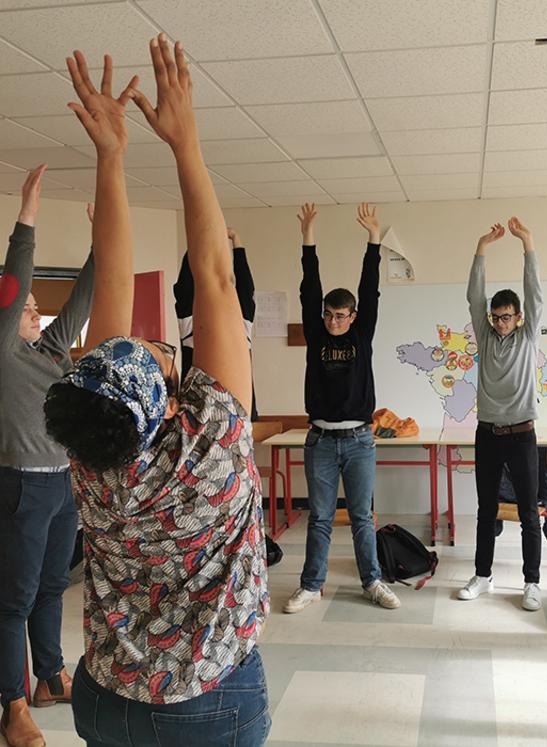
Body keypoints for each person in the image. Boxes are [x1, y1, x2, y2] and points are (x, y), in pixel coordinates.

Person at [43, 37, 269, 746]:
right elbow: (216, 276)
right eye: (161, 356)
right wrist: (183, 143)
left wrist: (112, 157)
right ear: (172, 404)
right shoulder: (216, 442)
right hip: (212, 698)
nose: (148, 339)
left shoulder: (90, 450)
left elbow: (111, 286)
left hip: (107, 698)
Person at [0, 167, 94, 747]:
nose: (37, 313)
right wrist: (27, 217)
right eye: (28, 308)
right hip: (20, 486)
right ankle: (12, 706)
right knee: (12, 599)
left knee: (53, 585)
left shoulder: (51, 352)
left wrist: (101, 242)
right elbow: (15, 281)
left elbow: (80, 301)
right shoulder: (4, 350)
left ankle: (50, 676)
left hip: (61, 484)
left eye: (39, 308)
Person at [283, 202, 400, 614]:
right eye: (329, 316)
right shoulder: (317, 336)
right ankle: (311, 585)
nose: (334, 322)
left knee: (363, 518)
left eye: (341, 316)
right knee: (318, 517)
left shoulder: (361, 334)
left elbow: (371, 288)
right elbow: (308, 287)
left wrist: (373, 240)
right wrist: (308, 237)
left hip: (359, 441)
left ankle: (372, 582)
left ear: (353, 316)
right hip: (319, 441)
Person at [459, 217, 544, 612]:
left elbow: (535, 292)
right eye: (495, 317)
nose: (499, 322)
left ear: (519, 317)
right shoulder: (486, 335)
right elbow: (474, 295)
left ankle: (531, 582)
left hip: (523, 433)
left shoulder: (527, 336)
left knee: (529, 511)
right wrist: (481, 246)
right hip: (488, 433)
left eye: (506, 316)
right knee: (485, 509)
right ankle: (483, 575)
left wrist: (527, 243)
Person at [174, 226, 259, 421]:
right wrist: (196, 243)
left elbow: (246, 289)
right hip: (198, 414)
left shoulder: (240, 327)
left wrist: (237, 243)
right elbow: (184, 288)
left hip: (237, 414)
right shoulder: (191, 327)